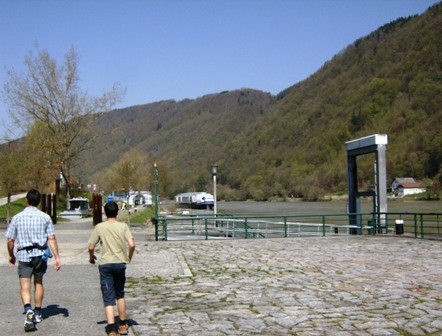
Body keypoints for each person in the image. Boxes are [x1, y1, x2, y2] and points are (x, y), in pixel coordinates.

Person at [5, 189, 61, 332]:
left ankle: (28, 308)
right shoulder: (45, 217)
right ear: (39, 202)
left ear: (26, 201)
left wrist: (11, 255)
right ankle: (37, 312)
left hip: (24, 254)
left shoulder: (17, 217)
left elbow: (10, 240)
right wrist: (57, 257)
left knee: (25, 285)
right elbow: (51, 238)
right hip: (40, 255)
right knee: (38, 283)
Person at [88, 201, 135, 336]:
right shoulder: (123, 226)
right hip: (120, 264)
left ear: (105, 212)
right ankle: (123, 324)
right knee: (120, 294)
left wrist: (91, 257)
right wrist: (128, 257)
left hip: (105, 265)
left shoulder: (100, 227)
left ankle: (111, 328)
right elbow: (132, 244)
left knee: (108, 297)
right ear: (117, 212)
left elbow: (91, 246)